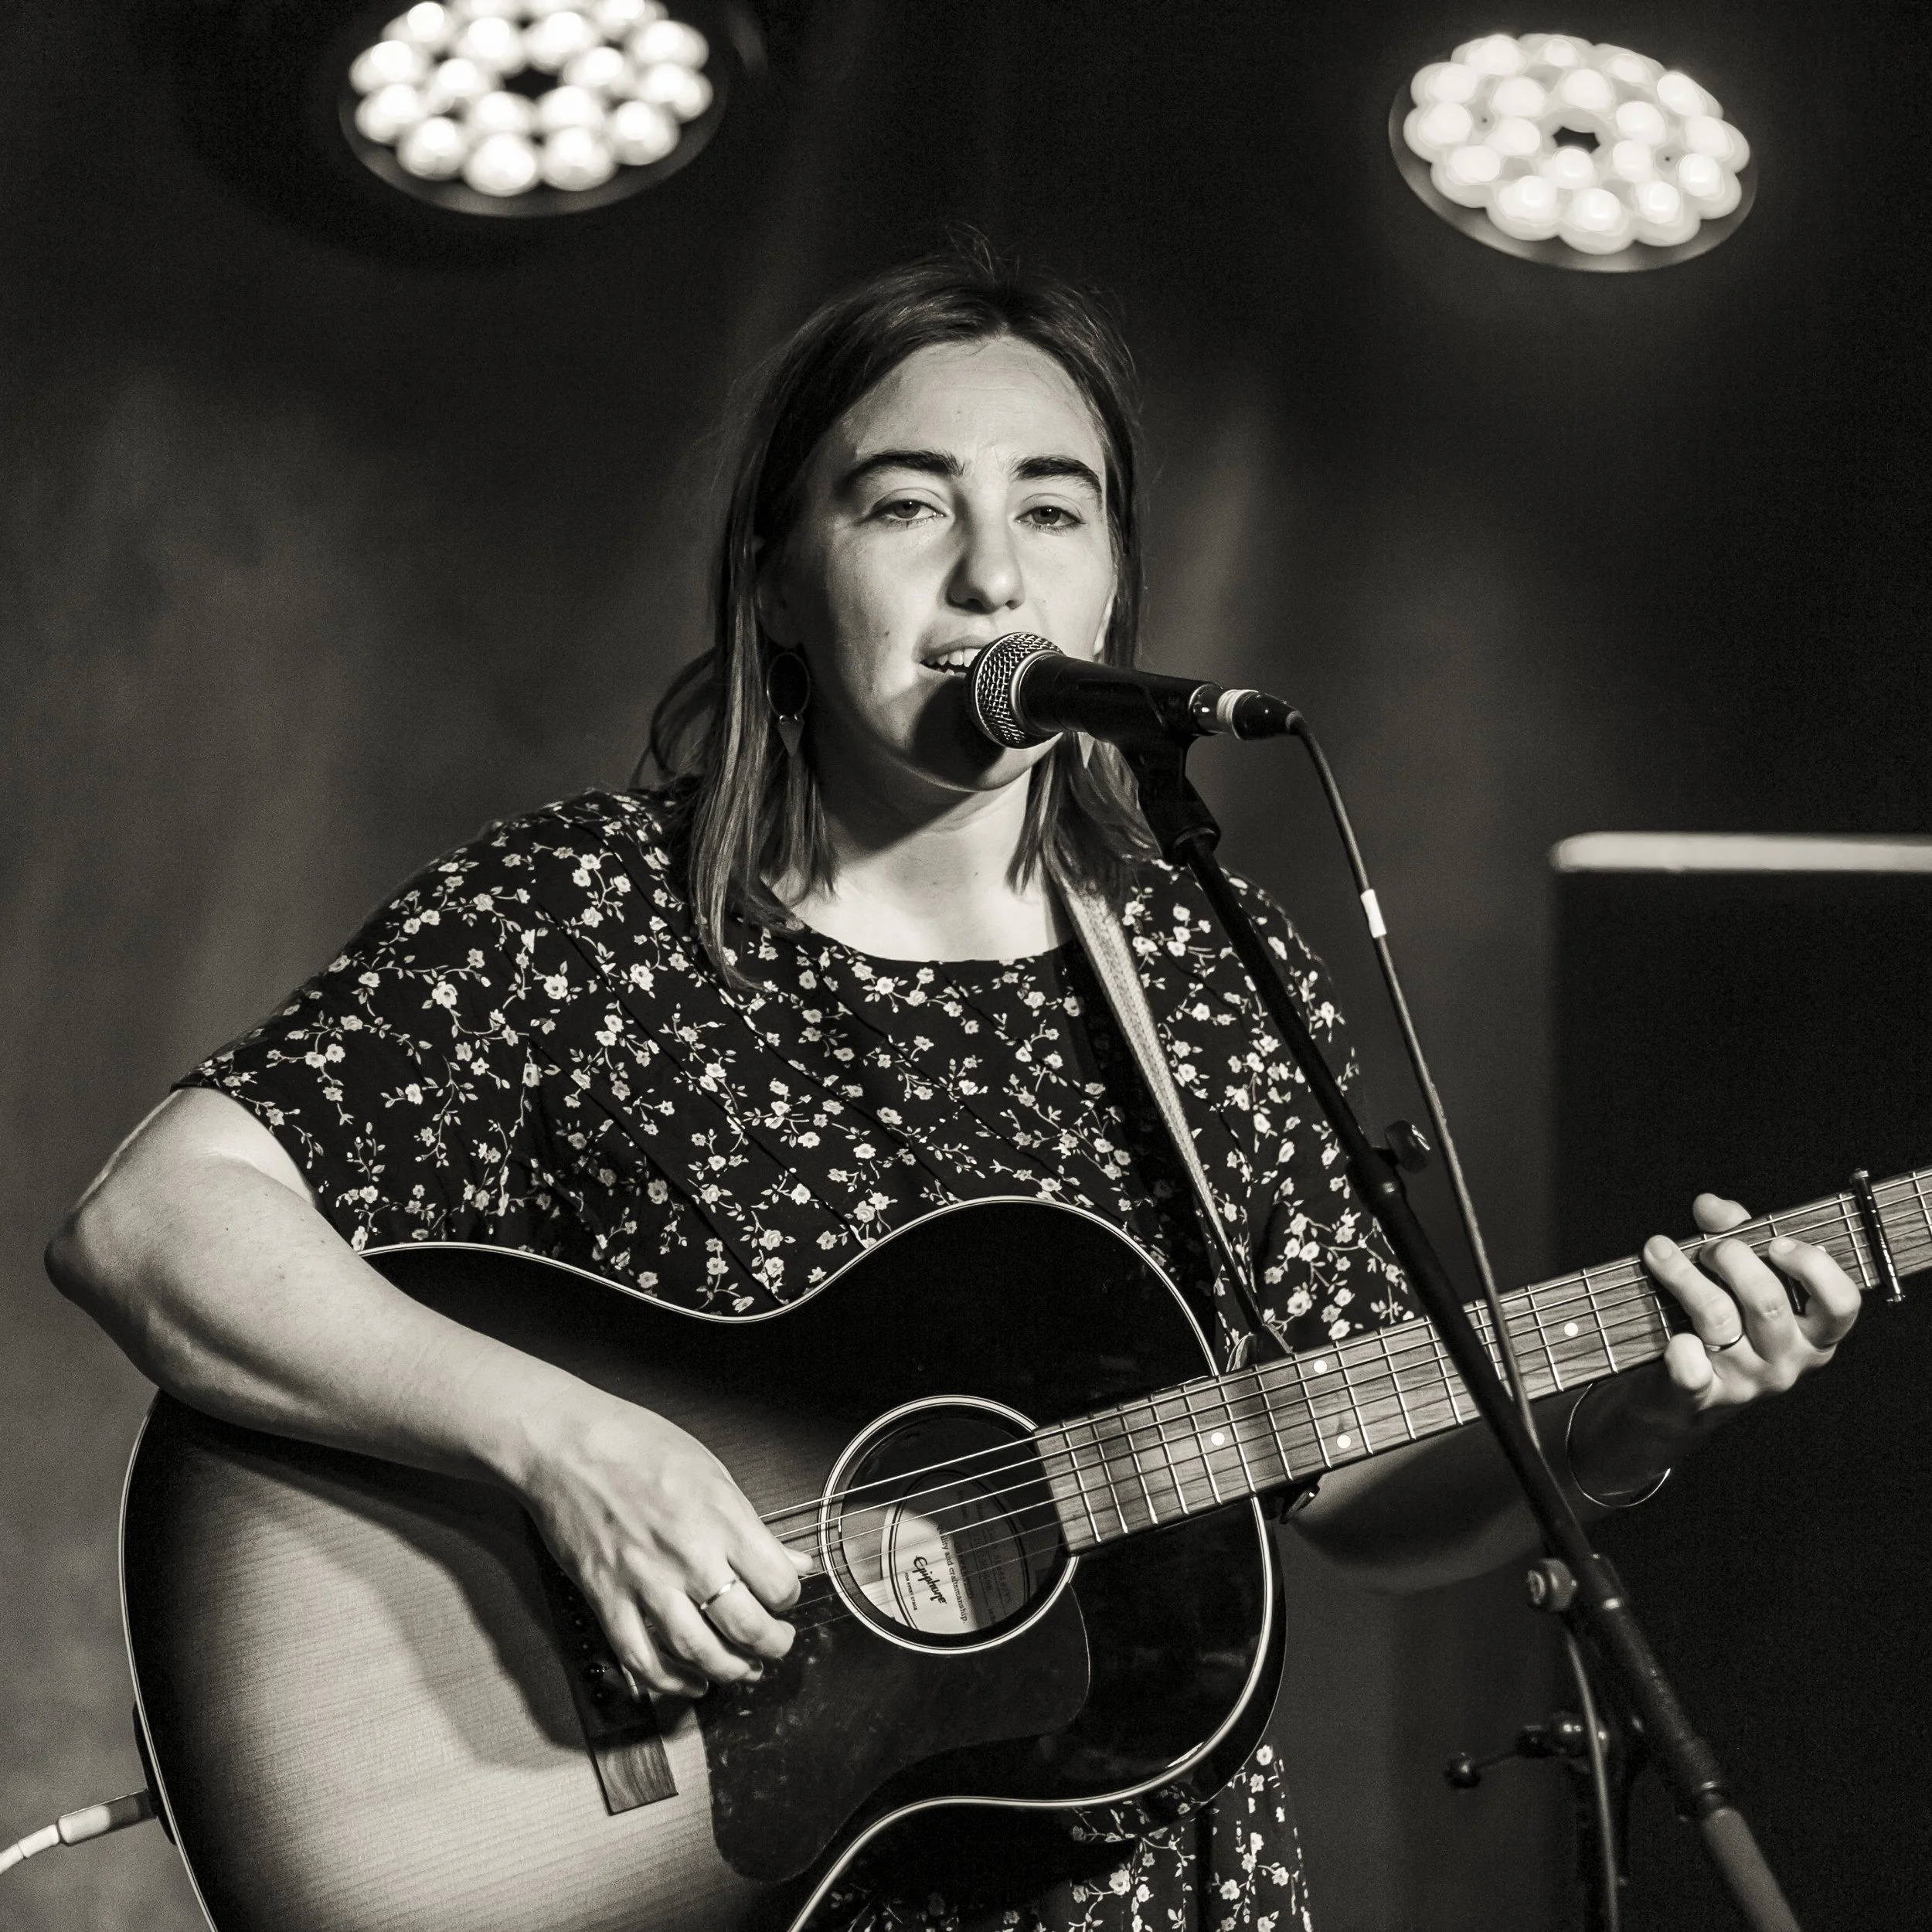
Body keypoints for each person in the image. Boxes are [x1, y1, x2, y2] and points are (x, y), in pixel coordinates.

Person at [48, 248, 1859, 1930]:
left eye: (1050, 512)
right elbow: (156, 1224)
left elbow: (1352, 1460)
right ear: (772, 573)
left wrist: (1620, 1419)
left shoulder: (1202, 976)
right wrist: (565, 1443)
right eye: (908, 503)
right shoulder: (587, 913)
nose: (991, 575)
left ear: (1110, 585)